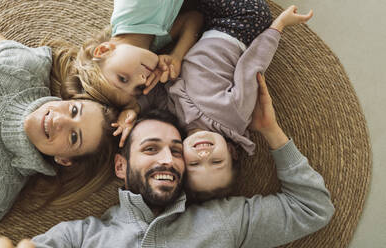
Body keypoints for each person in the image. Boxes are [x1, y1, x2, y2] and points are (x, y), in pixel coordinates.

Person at [0, 75, 334, 248]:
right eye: (151, 149)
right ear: (121, 168)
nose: (168, 159)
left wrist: (271, 132)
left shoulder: (225, 221)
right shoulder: (81, 236)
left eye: (176, 149)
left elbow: (312, 208)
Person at [119, 3, 314, 200]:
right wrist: (278, 26)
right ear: (232, 152)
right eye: (217, 161)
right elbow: (252, 67)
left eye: (195, 164)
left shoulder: (175, 119)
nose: (204, 155)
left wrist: (132, 110)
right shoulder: (234, 116)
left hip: (202, 28)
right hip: (241, 25)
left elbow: (154, 96)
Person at [0, 26, 120, 225]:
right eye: (74, 110)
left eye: (74, 137)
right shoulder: (23, 67)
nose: (59, 121)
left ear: (64, 159)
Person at [46, 0, 203, 111]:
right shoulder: (153, 42)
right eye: (138, 88)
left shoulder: (133, 7)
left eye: (123, 78)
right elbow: (193, 19)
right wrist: (176, 56)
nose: (142, 79)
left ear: (103, 51)